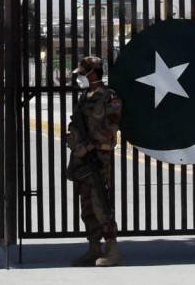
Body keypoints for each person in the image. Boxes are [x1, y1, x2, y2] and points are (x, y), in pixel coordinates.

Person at [65, 55, 122, 268]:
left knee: (101, 203)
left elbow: (111, 127)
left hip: (99, 156)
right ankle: (93, 247)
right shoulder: (85, 97)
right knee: (87, 204)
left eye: (84, 73)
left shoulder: (110, 97)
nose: (82, 77)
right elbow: (75, 124)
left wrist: (89, 146)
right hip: (82, 157)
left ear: (93, 73)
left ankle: (112, 249)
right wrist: (75, 144)